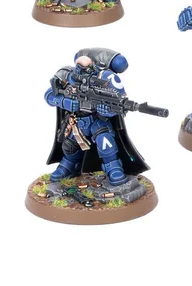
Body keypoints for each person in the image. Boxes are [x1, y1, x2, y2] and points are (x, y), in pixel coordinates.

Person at [45, 50, 148, 186]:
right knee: (70, 146)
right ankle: (68, 166)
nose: (84, 72)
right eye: (80, 68)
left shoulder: (103, 78)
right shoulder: (66, 74)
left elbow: (117, 103)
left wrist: (107, 111)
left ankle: (113, 167)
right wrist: (65, 102)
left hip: (96, 120)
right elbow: (48, 95)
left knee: (105, 140)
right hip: (76, 121)